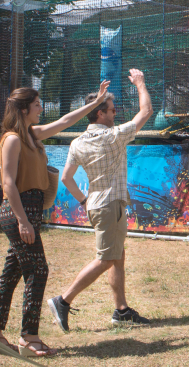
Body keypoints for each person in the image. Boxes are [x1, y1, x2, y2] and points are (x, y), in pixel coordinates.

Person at [0, 80, 111, 357]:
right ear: (24, 108)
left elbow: (66, 120)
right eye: (38, 105)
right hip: (19, 210)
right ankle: (29, 338)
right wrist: (23, 221)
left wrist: (95, 102)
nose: (41, 109)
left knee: (12, 271)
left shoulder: (31, 134)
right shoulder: (13, 139)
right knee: (38, 270)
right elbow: (8, 183)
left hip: (30, 209)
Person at [48, 68, 153, 331]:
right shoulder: (113, 137)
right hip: (109, 206)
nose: (116, 113)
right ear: (99, 113)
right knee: (106, 258)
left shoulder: (77, 142)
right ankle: (63, 301)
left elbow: (66, 178)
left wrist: (83, 201)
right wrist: (140, 84)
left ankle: (122, 310)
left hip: (96, 204)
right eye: (112, 109)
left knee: (117, 256)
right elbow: (146, 112)